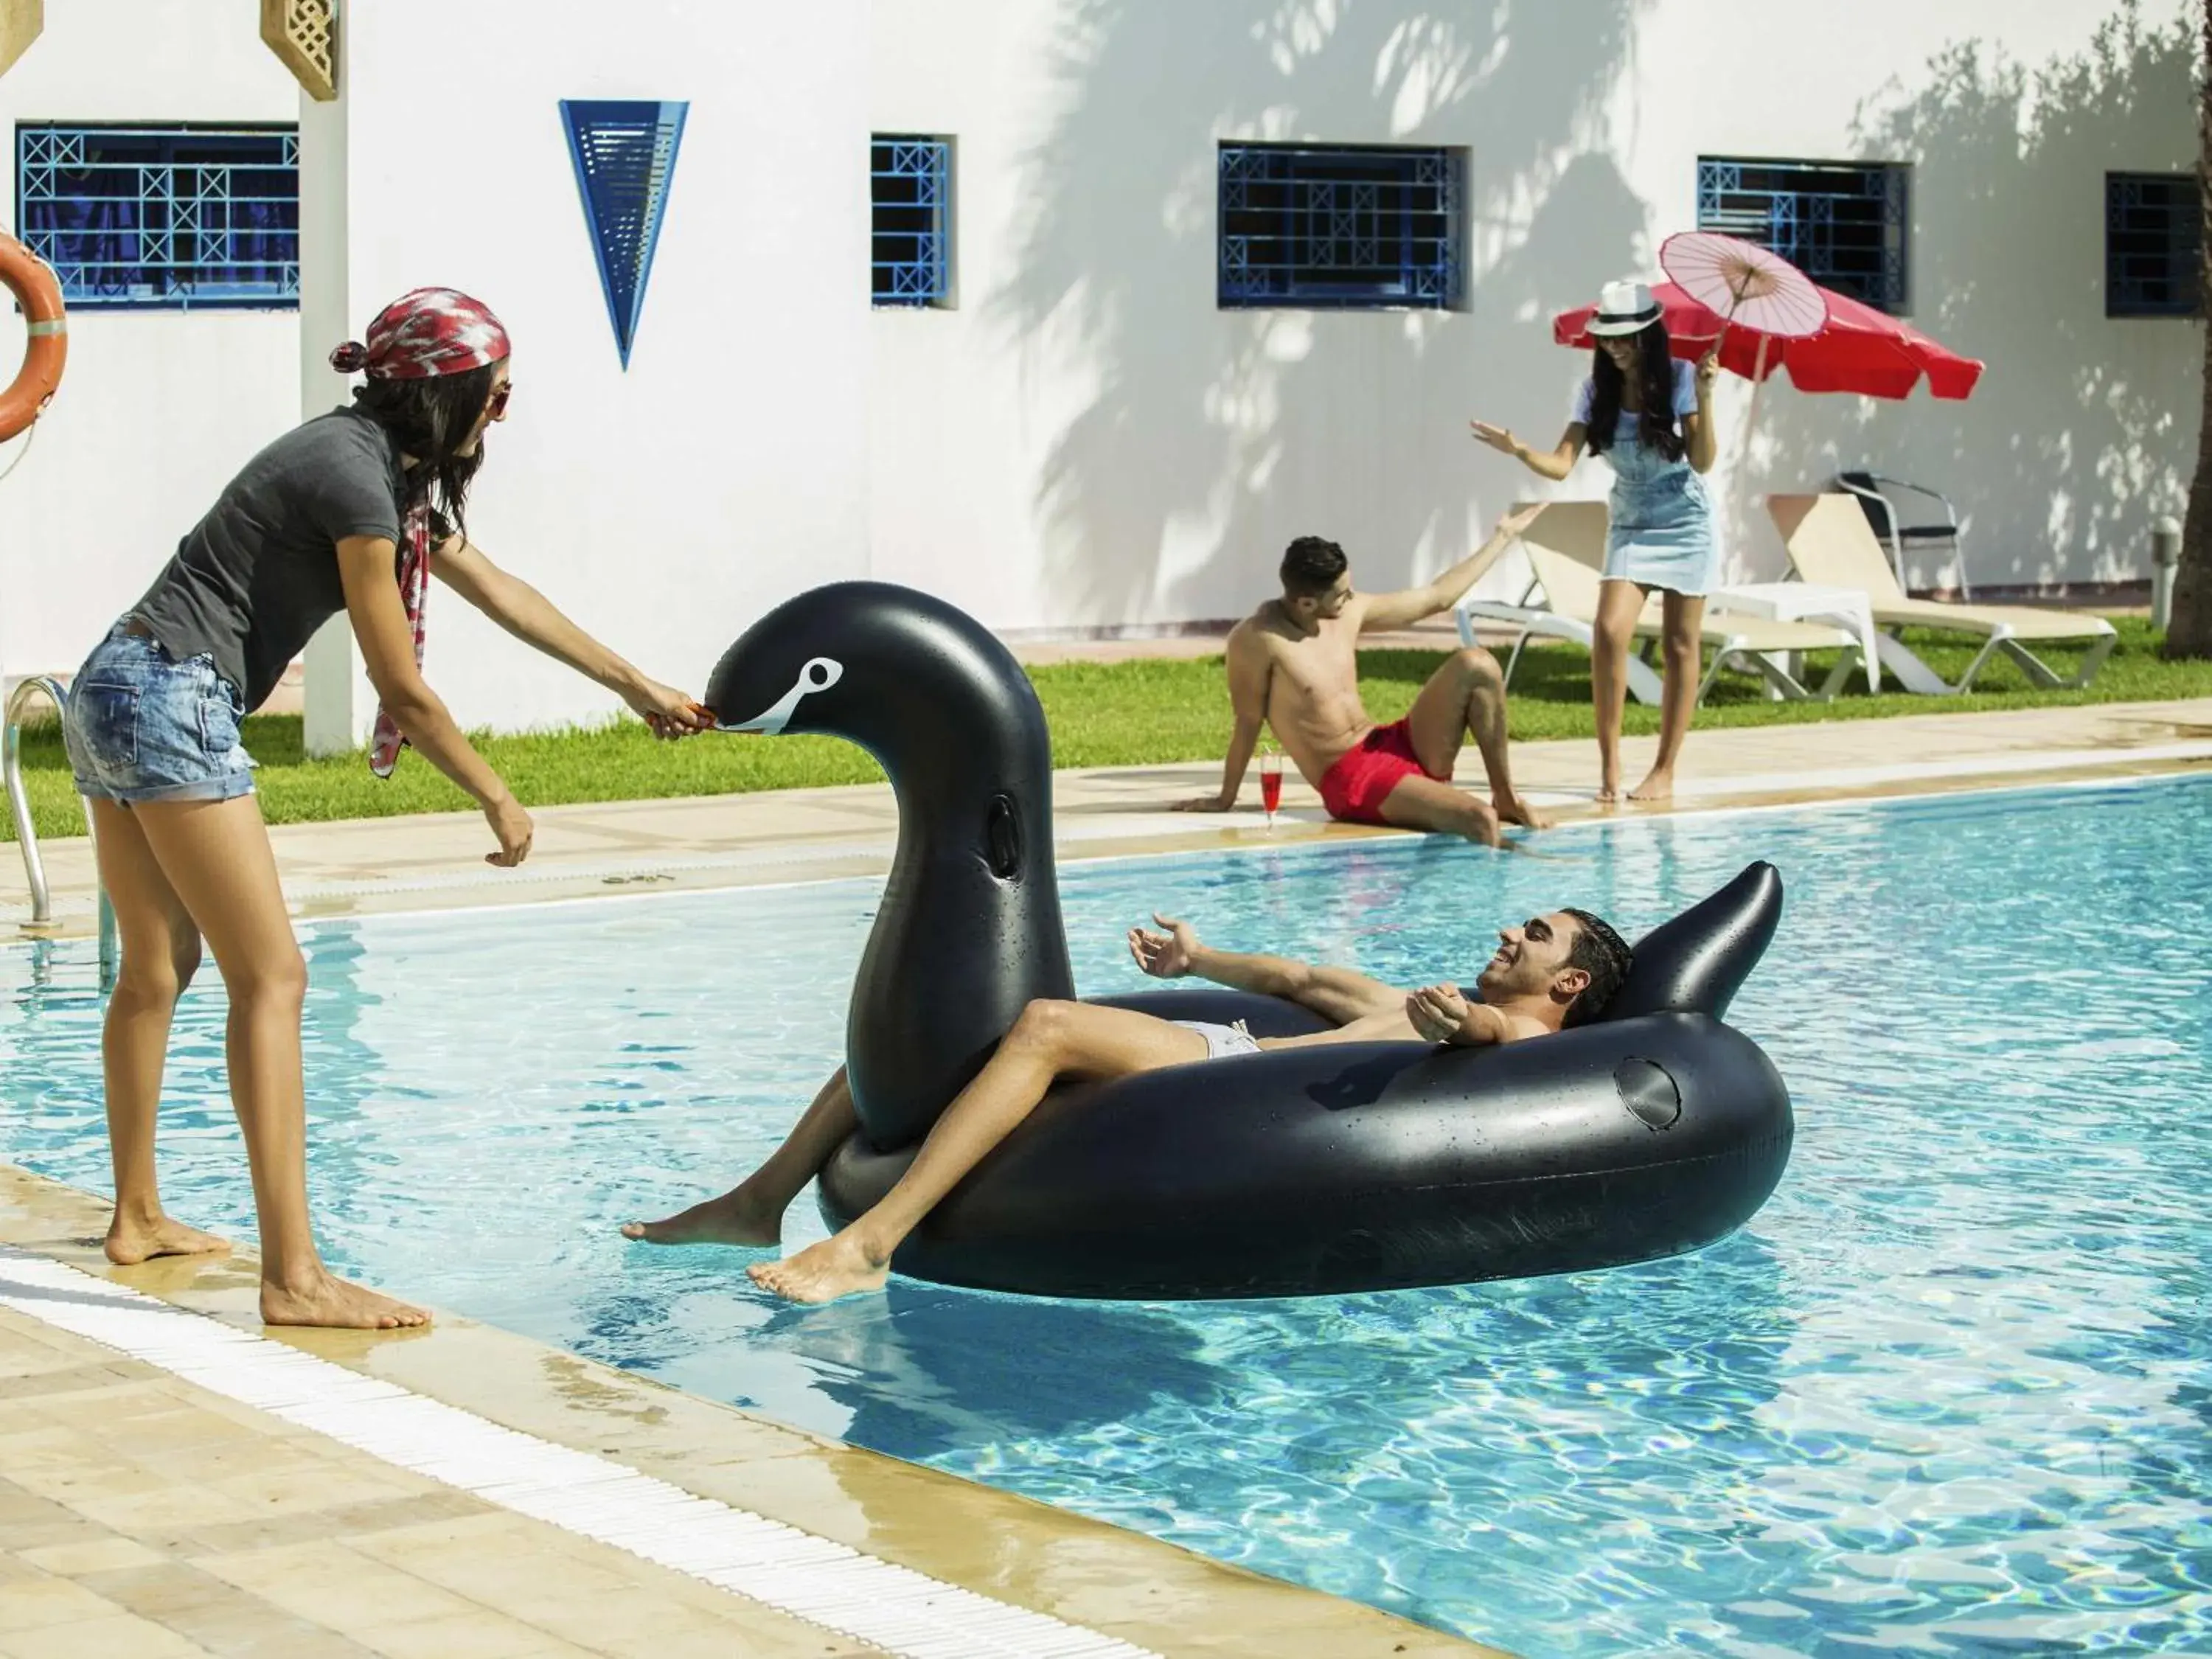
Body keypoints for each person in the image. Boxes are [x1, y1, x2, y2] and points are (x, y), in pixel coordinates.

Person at [61, 287, 714, 1330]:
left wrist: (638, 688)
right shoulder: (353, 477)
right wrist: (498, 796)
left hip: (113, 682)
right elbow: (398, 685)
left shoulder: (375, 469)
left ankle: (136, 1213)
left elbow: (500, 587)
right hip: (171, 693)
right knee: (271, 976)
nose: (500, 416)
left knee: (156, 969)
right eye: (494, 398)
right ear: (444, 395)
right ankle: (296, 1277)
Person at [625, 905, 1634, 1304]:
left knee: (1045, 1027)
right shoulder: (1431, 993)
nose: (1512, 931)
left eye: (1537, 934)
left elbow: (1488, 1039)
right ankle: (758, 1198)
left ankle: (873, 1241)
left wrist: (1452, 1026)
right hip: (1235, 1059)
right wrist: (1201, 959)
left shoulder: (1523, 1037)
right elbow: (1303, 978)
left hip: (1227, 1093)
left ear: (1572, 983)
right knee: (928, 1053)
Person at [1470, 279, 1722, 804]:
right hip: (1631, 523)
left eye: (1625, 336)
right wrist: (1518, 449)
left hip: (1685, 522)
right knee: (1608, 633)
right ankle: (1610, 766)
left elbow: (1702, 461)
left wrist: (1705, 397)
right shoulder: (1594, 392)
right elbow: (1561, 466)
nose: (1614, 345)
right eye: (1608, 336)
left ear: (1649, 335)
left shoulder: (1678, 379)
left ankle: (1665, 769)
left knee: (1681, 646)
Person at [1175, 504, 1554, 845]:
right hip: (1351, 778)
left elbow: (1437, 597)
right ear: (1306, 602)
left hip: (1388, 745)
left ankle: (1505, 795)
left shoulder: (1347, 610)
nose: (1351, 598)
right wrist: (1225, 798)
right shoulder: (1258, 640)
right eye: (1341, 594)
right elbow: (1247, 721)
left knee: (1478, 664)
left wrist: (1502, 537)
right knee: (1478, 820)